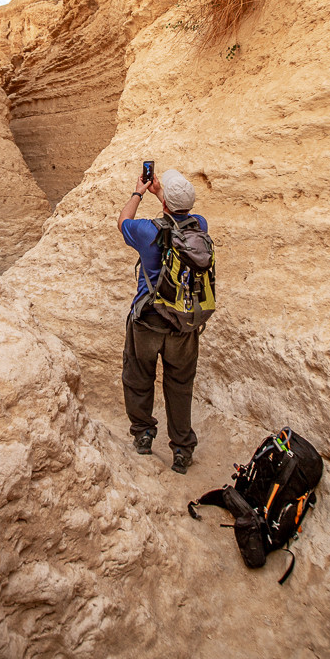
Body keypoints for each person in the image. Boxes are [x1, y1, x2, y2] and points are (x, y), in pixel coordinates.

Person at [117, 167, 207, 474]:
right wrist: (163, 194)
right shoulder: (200, 226)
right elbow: (177, 212)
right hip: (183, 325)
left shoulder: (146, 230)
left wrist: (140, 191)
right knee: (180, 386)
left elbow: (122, 221)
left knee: (138, 378)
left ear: (164, 202)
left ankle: (143, 434)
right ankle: (182, 450)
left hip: (148, 321)